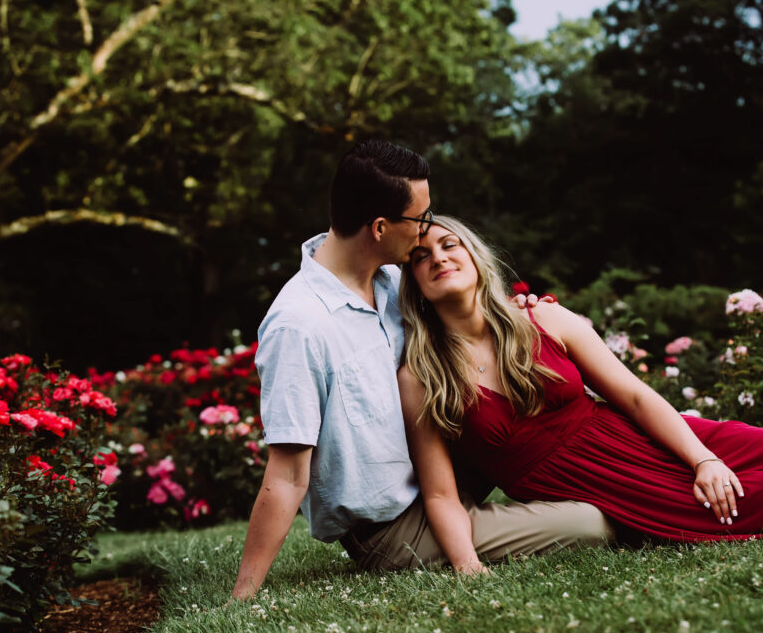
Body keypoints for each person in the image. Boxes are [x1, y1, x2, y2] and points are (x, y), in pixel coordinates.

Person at [397, 216, 763, 575]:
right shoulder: (422, 375)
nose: (440, 258)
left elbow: (633, 395)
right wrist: (468, 567)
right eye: (422, 257)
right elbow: (442, 493)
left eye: (450, 244)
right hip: (603, 484)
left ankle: (754, 482)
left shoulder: (541, 317)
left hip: (627, 430)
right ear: (414, 283)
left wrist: (703, 459)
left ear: (475, 255)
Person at [230, 141, 614, 600]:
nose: (426, 230)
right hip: (395, 528)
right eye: (419, 219)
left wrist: (516, 312)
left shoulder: (394, 281)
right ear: (379, 227)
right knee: (593, 523)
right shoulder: (300, 326)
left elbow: (467, 314)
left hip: (453, 470)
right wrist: (244, 595)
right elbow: (287, 475)